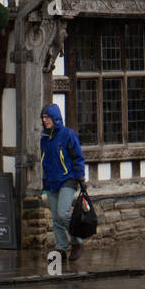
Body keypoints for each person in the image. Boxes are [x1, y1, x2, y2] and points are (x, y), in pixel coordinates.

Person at [40, 103, 86, 263]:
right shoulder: (44, 138)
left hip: (68, 179)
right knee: (56, 218)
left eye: (47, 117)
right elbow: (44, 161)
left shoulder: (68, 134)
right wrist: (44, 183)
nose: (45, 120)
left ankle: (77, 241)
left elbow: (78, 157)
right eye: (43, 118)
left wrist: (80, 178)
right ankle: (61, 248)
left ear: (56, 117)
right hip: (51, 182)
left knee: (63, 213)